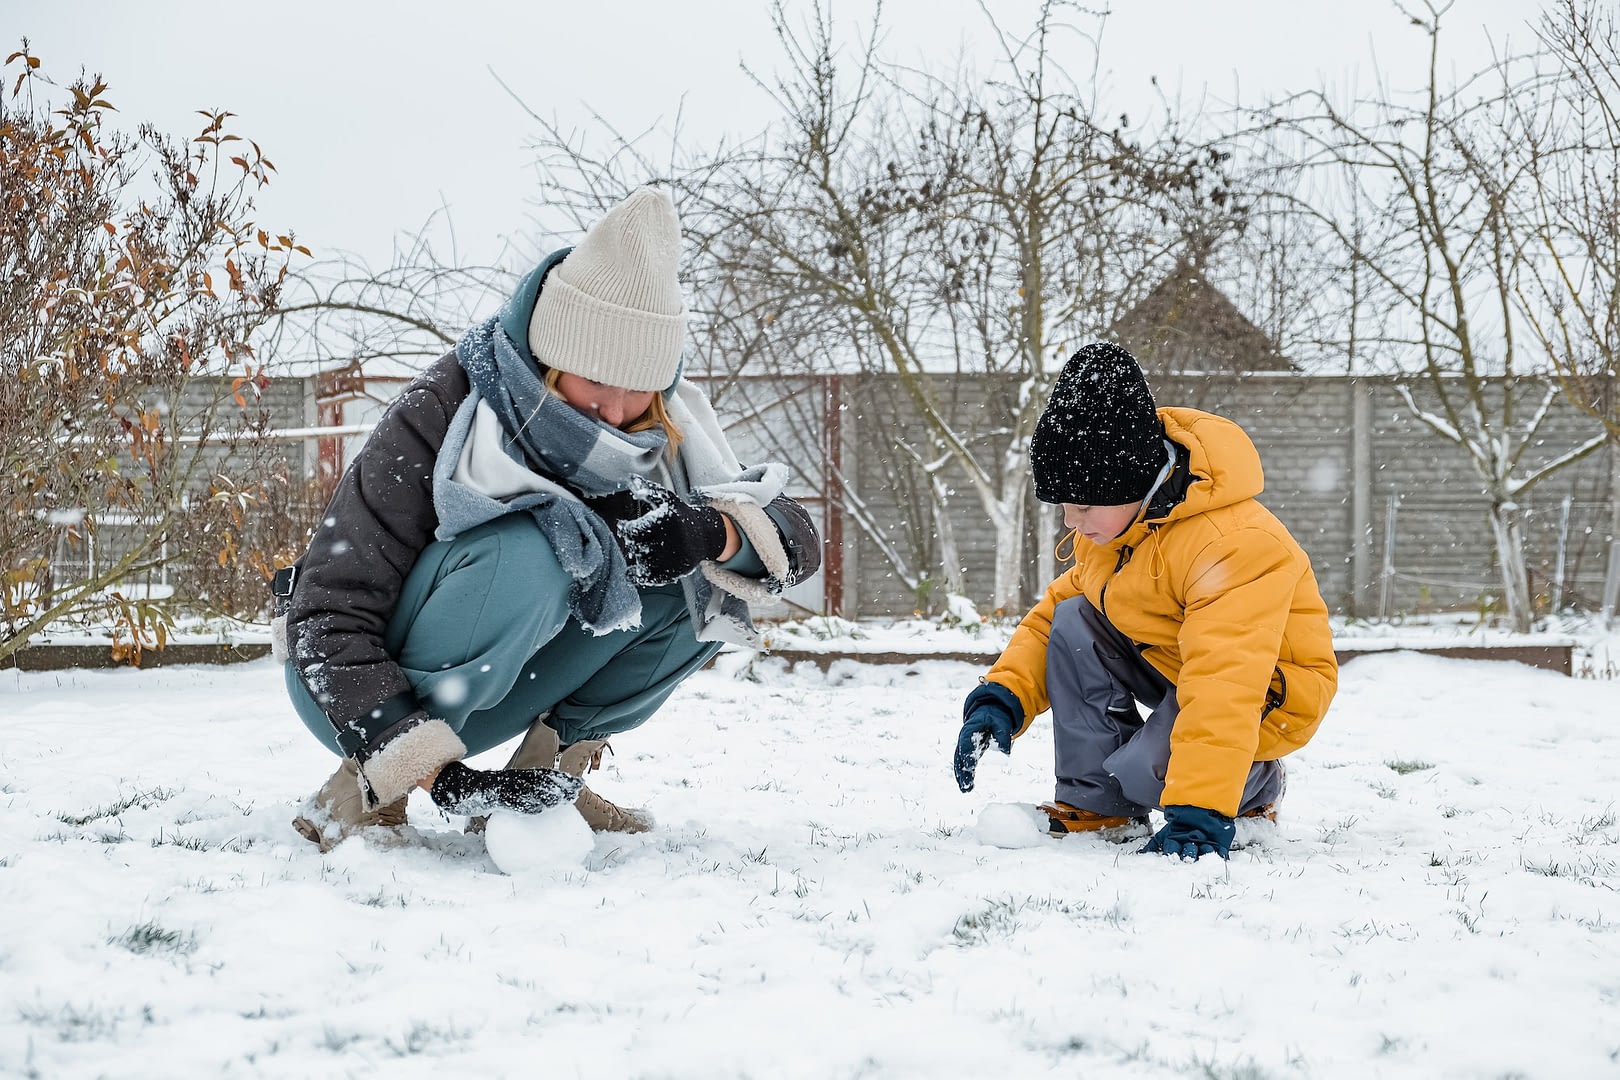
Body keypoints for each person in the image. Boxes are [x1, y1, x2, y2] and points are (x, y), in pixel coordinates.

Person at [275, 186, 821, 852]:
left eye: (638, 384)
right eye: (597, 379)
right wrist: (435, 777)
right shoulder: (447, 412)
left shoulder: (670, 429)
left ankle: (547, 782)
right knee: (535, 546)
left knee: (710, 577)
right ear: (551, 350)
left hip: (509, 682)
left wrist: (712, 532)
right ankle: (369, 785)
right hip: (352, 691)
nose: (617, 412)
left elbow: (792, 543)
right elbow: (326, 615)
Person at [952, 341, 1337, 860]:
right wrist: (1003, 698)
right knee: (1074, 618)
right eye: (1064, 504)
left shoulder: (1233, 544)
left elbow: (1225, 681)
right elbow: (1051, 624)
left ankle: (1253, 786)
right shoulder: (1119, 531)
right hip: (1179, 665)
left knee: (1149, 776)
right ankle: (1098, 803)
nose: (1072, 521)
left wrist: (1200, 811)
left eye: (1084, 504)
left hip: (1266, 689)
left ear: (1133, 483)